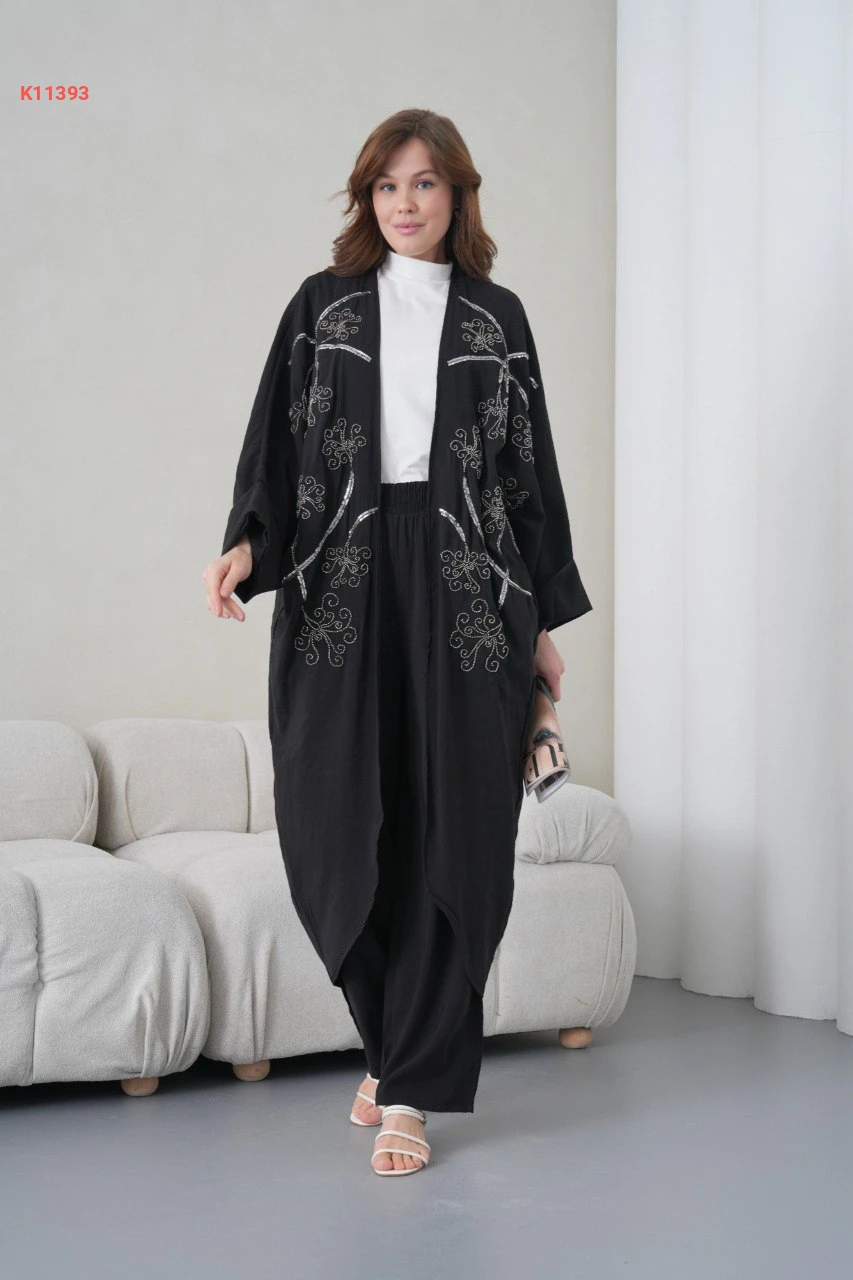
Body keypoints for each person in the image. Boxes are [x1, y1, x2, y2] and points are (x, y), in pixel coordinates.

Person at [202, 108, 593, 1176]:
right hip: (343, 575)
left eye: (424, 183)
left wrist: (540, 626)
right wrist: (245, 544)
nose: (404, 203)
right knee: (332, 823)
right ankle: (388, 1044)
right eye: (386, 185)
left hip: (468, 585)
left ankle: (409, 1087)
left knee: (452, 826)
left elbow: (528, 476)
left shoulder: (497, 317)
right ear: (365, 197)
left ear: (458, 193)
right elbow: (275, 447)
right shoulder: (320, 306)